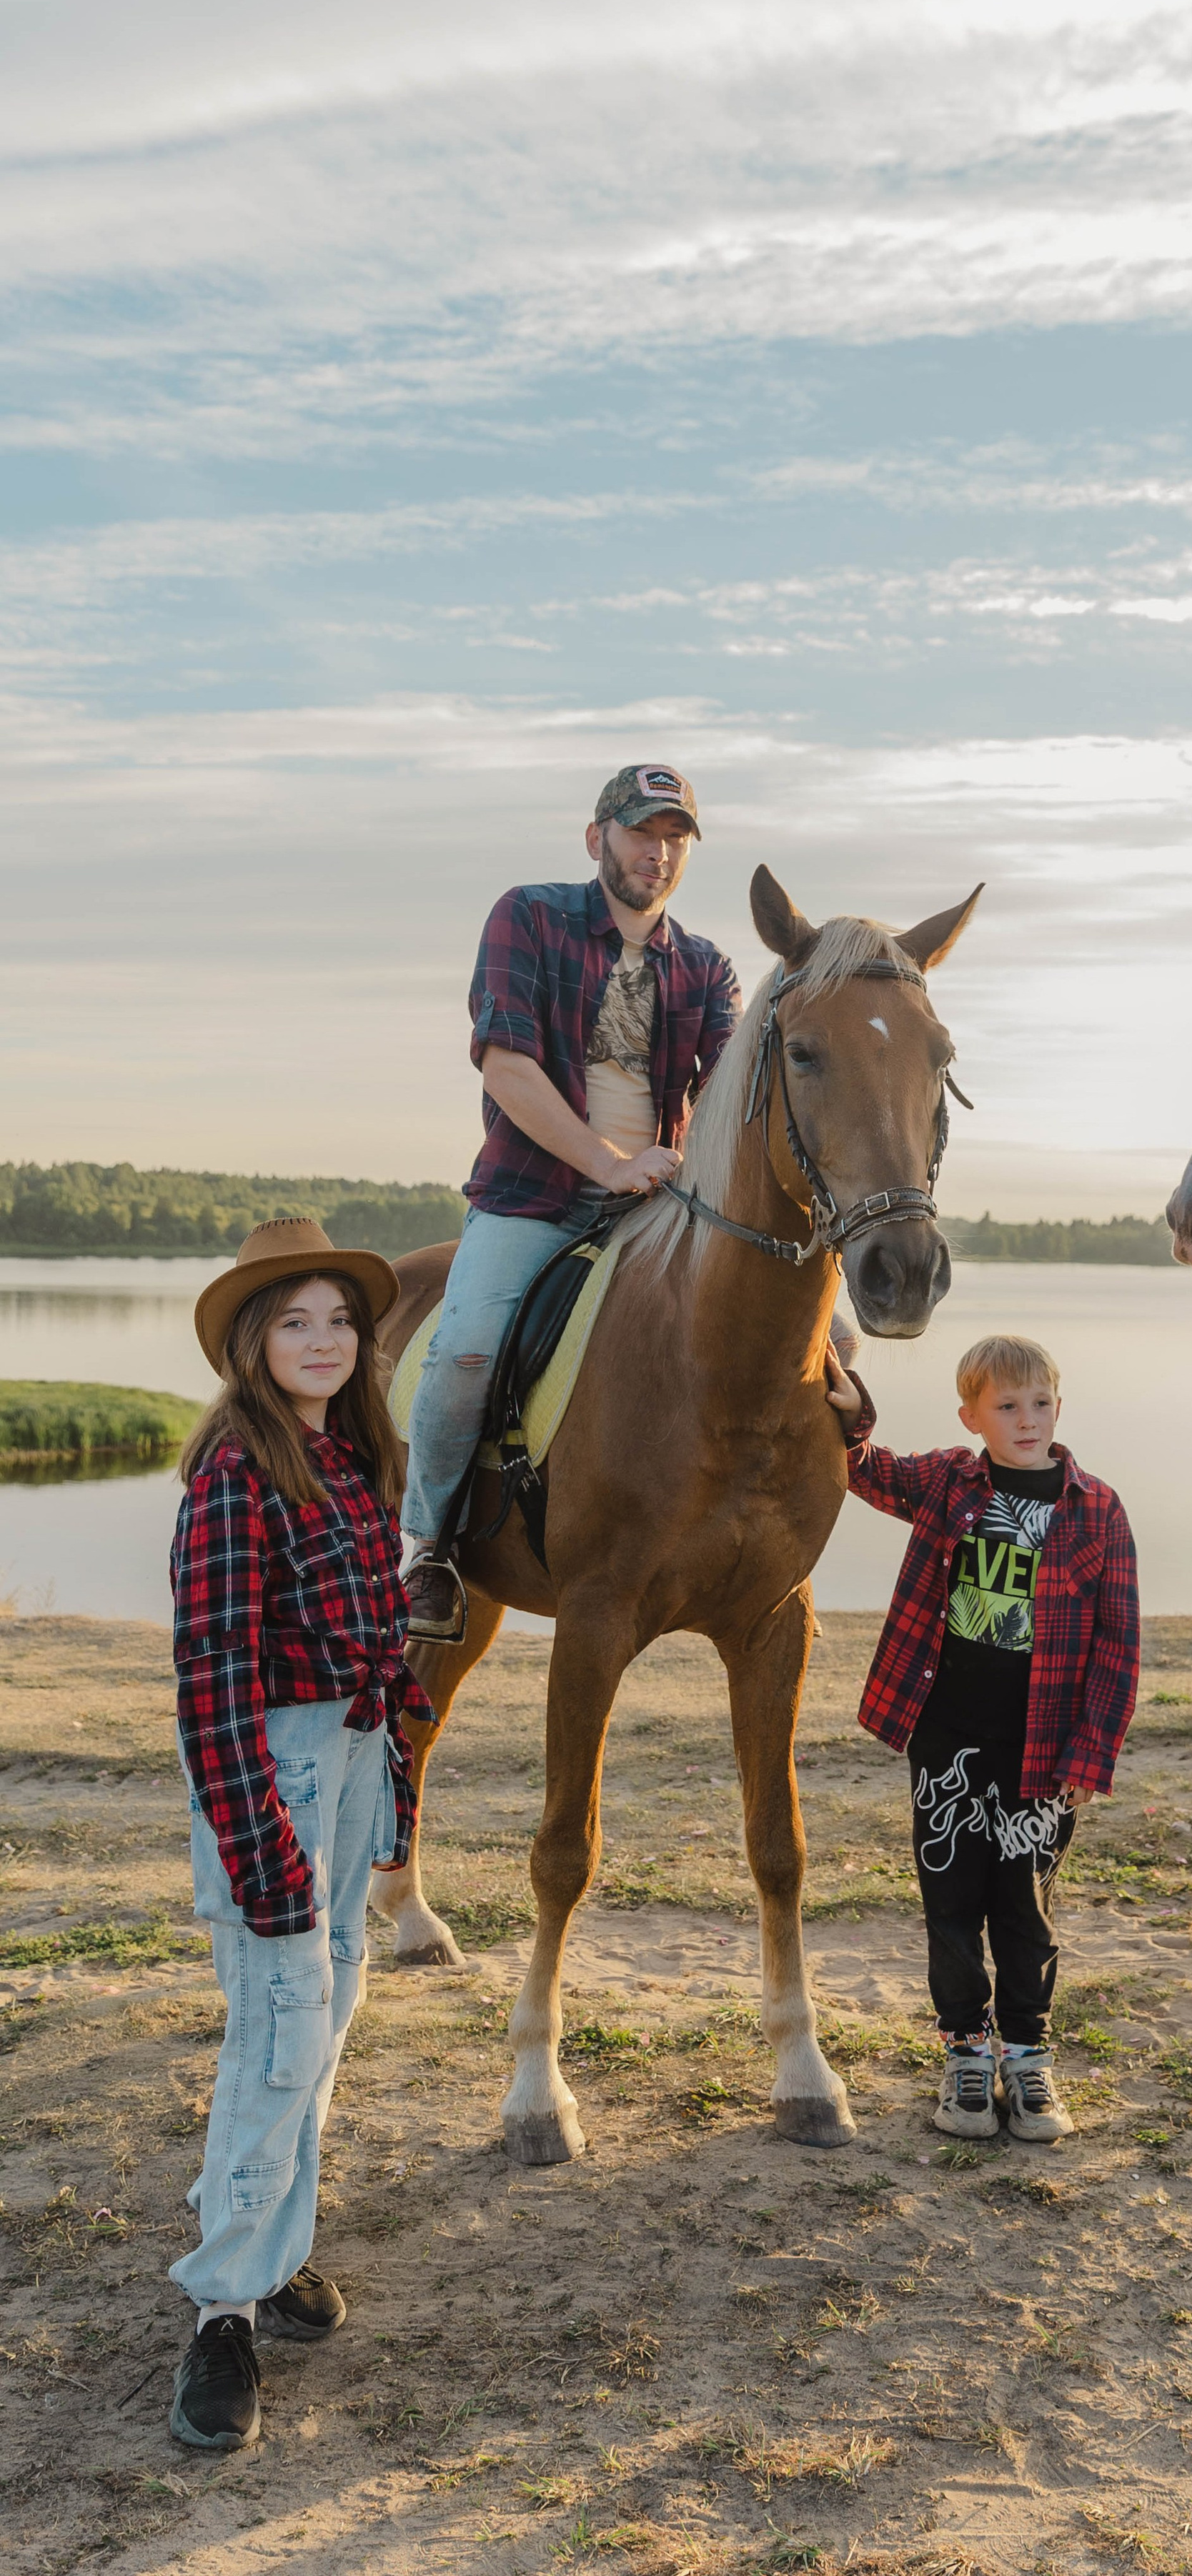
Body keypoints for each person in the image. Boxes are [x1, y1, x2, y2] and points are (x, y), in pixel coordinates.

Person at [167, 1218, 430, 2451]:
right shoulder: (236, 1472)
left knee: (327, 2008)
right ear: (250, 1339)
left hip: (354, 1753)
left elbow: (383, 1638)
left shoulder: (360, 1457)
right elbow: (212, 1674)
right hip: (273, 1761)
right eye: (294, 1320)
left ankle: (275, 2255)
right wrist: (264, 1837)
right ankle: (222, 2307)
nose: (323, 1340)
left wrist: (395, 1792)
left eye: (339, 1320)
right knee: (280, 2025)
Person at [402, 763, 741, 1638]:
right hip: (533, 1194)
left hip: (657, 1208)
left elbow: (734, 1099)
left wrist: (676, 1169)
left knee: (820, 1343)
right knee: (467, 1351)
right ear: (598, 840)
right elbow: (508, 1065)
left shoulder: (704, 966)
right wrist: (606, 1159)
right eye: (641, 833)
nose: (657, 854)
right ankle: (426, 1546)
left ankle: (765, 1552)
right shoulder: (528, 916)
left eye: (675, 840)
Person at [826, 1334, 1140, 2142]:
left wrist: (1089, 1754)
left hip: (1043, 1754)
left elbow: (1117, 1644)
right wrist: (852, 1408)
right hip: (949, 1741)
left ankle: (1028, 2058)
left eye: (1040, 1403)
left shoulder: (1097, 1508)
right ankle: (966, 2051)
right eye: (1006, 1406)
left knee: (1024, 1910)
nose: (1026, 1419)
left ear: (1058, 1408)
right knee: (951, 1903)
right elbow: (866, 1468)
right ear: (971, 1415)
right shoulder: (946, 1482)